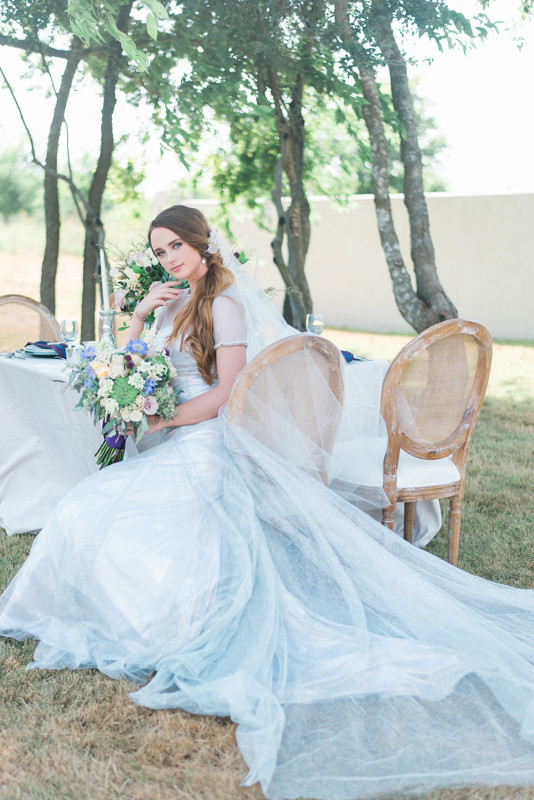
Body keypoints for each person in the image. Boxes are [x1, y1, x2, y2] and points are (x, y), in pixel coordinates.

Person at [1, 204, 534, 800]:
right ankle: (95, 612)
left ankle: (160, 625)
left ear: (203, 247)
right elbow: (134, 363)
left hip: (201, 440)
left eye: (176, 246)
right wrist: (138, 317)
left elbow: (228, 393)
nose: (168, 259)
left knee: (114, 516)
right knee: (83, 507)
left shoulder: (223, 305)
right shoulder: (169, 300)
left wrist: (168, 419)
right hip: (167, 437)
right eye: (158, 250)